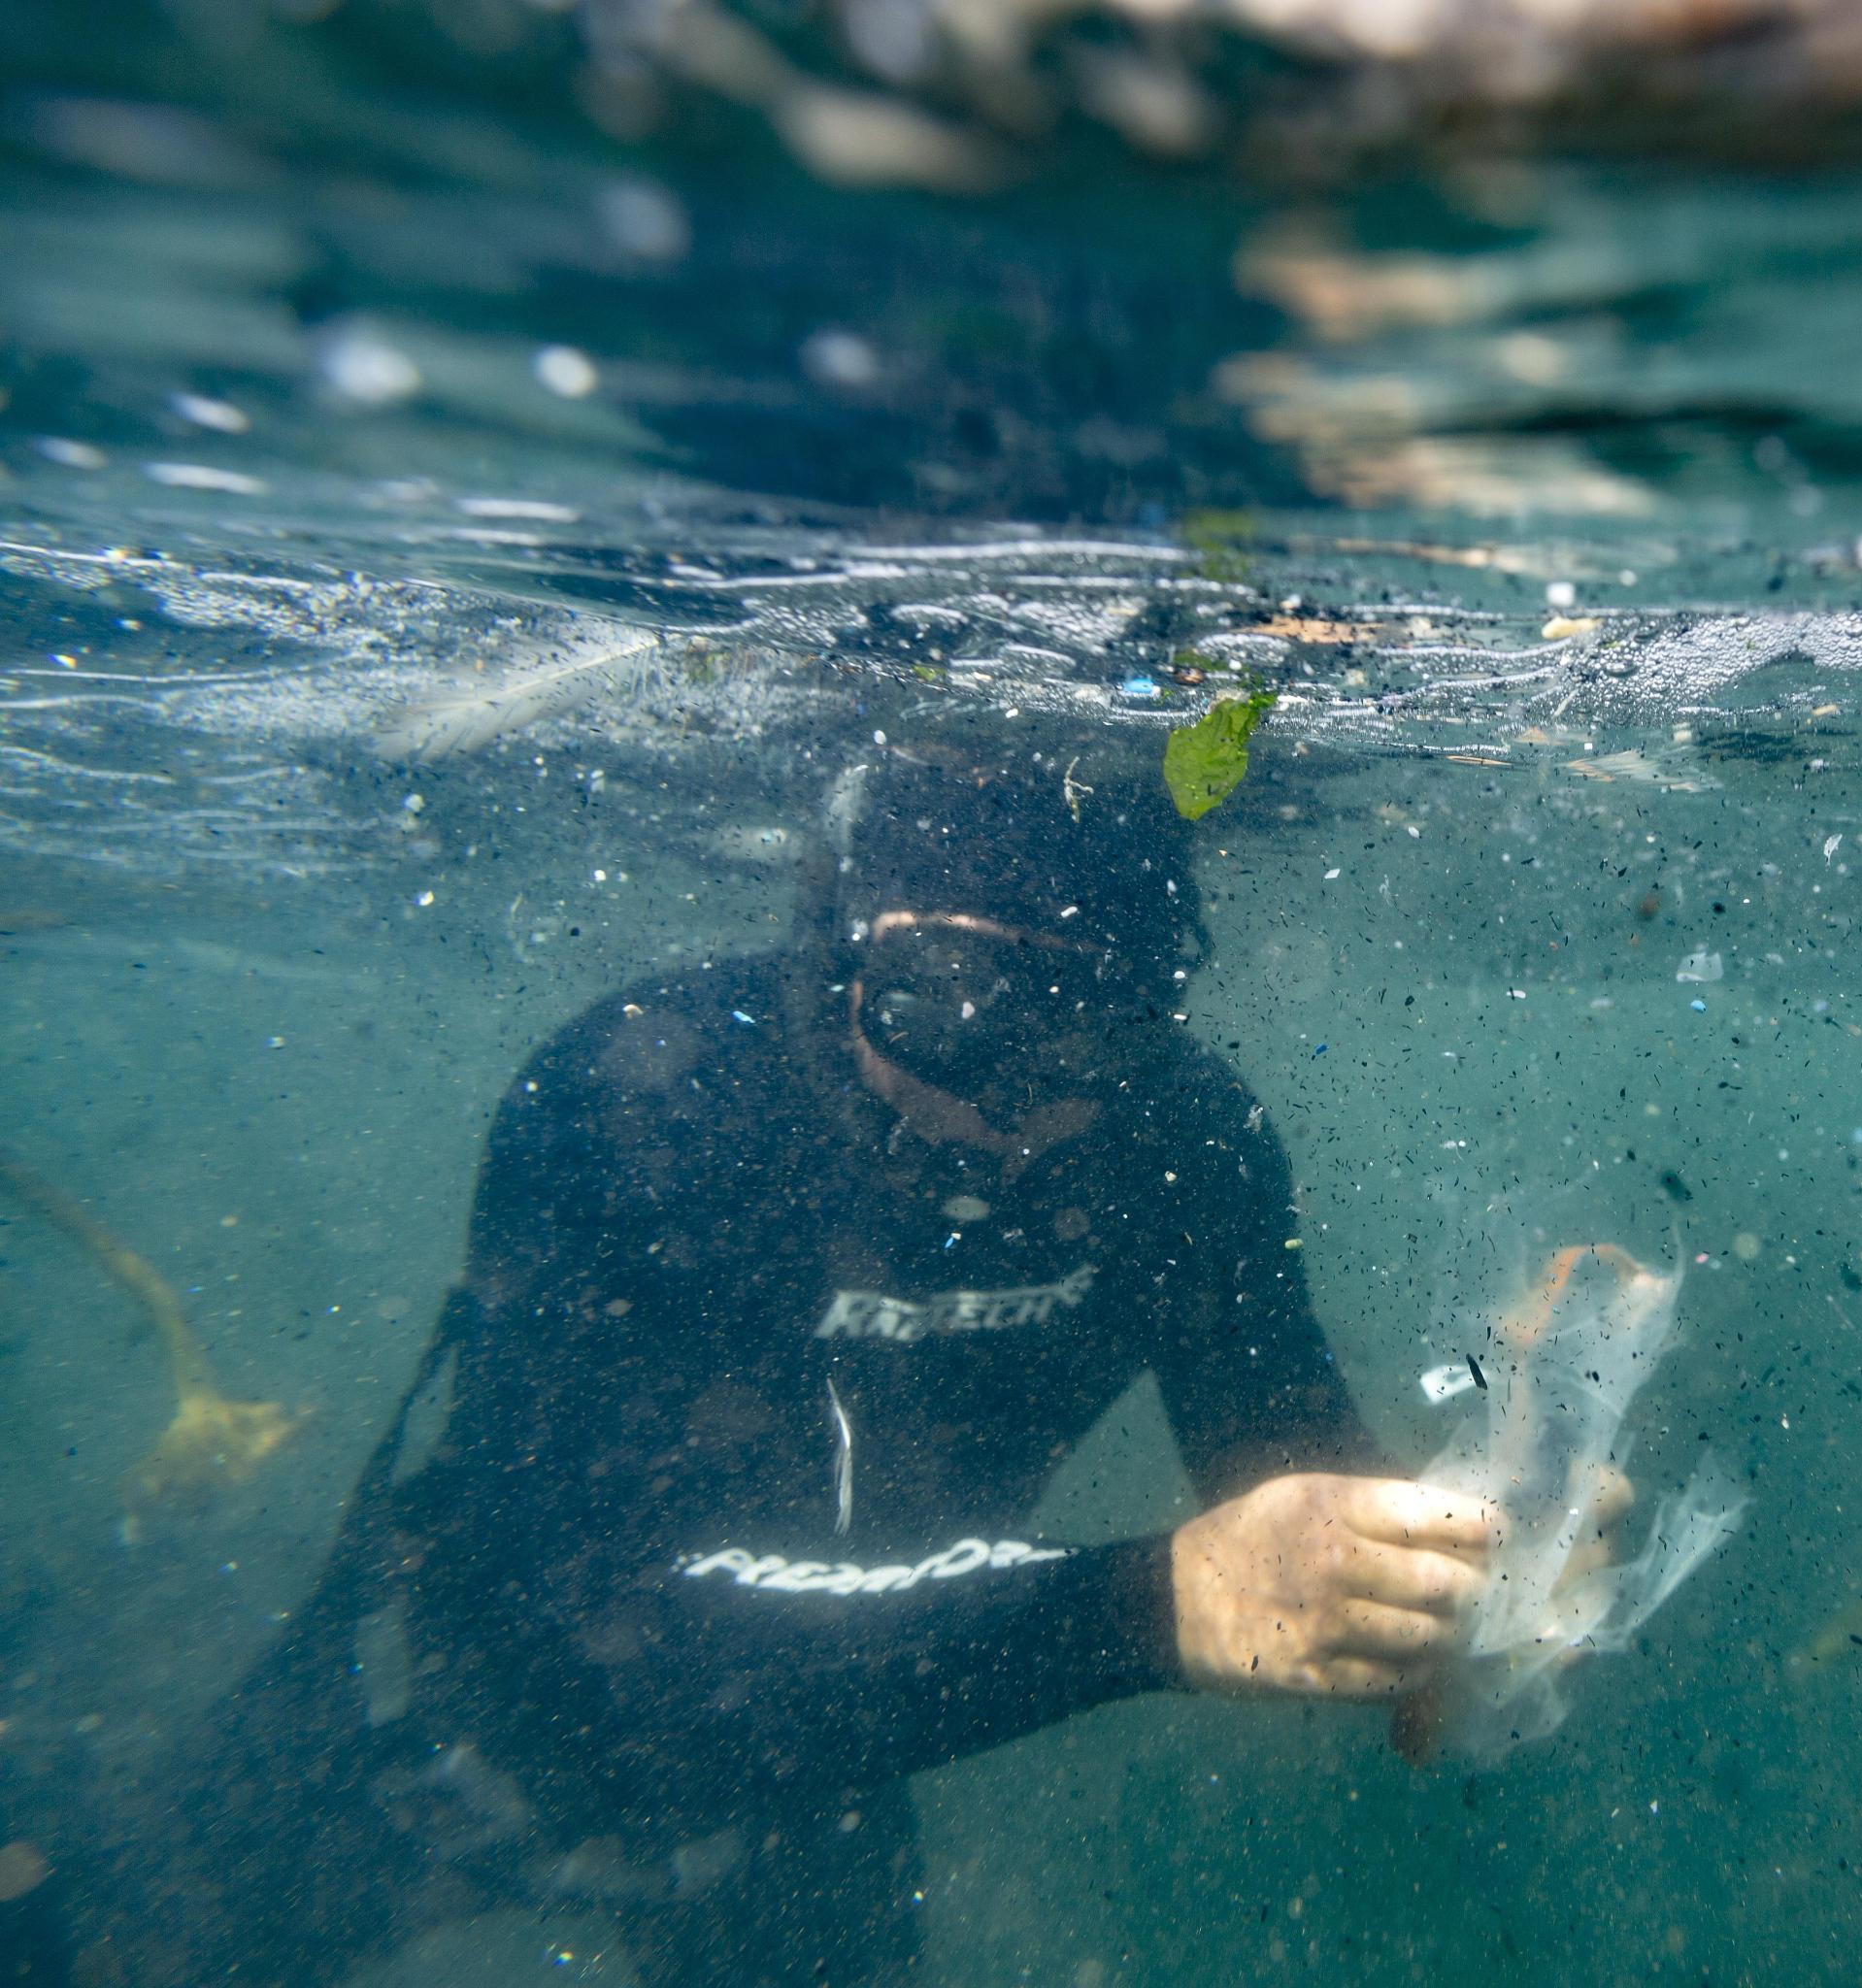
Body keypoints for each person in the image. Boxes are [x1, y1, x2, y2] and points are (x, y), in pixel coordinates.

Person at [70, 736, 1498, 1988]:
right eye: (945, 1008)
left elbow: (1287, 1486)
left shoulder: (1182, 1143)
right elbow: (583, 1655)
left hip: (821, 1767)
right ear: (837, 941)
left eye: (1091, 1031)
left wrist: (1494, 1502)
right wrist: (1149, 1609)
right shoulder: (650, 1098)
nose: (998, 1106)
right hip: (428, 1729)